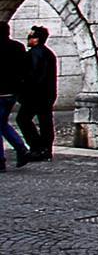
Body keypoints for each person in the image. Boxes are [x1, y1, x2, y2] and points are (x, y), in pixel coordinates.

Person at [21, 26, 56, 161]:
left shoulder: (35, 53)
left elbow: (34, 76)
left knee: (23, 119)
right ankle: (46, 149)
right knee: (45, 122)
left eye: (30, 37)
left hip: (36, 95)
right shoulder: (48, 53)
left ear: (36, 39)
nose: (28, 39)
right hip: (47, 94)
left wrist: (25, 92)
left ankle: (37, 147)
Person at [0, 19, 29, 172]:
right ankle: (22, 149)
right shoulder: (18, 47)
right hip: (12, 93)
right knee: (2, 124)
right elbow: (24, 70)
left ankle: (1, 160)